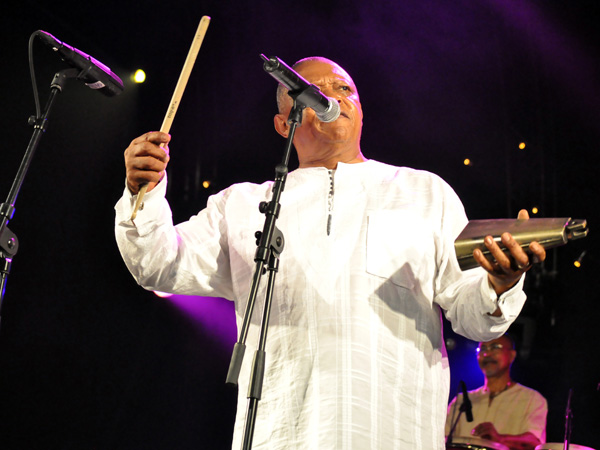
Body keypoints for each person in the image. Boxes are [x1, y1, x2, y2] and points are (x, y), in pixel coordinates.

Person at [114, 56, 547, 449]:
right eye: (315, 91)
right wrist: (142, 193)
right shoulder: (243, 206)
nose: (333, 98)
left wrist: (499, 283)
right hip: (283, 432)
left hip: (390, 431)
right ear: (284, 124)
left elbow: (472, 315)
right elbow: (160, 265)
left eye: (344, 89)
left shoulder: (423, 192)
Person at [445, 334, 548, 450]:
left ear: (511, 356)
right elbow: (441, 438)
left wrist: (499, 439)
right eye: (482, 349)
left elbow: (534, 443)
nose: (487, 354)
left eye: (495, 347)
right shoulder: (461, 400)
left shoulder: (532, 399)